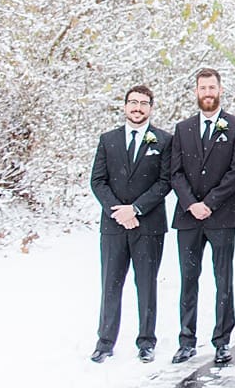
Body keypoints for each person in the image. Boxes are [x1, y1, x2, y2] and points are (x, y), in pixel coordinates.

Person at [170, 67, 235, 365]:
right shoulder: (183, 128)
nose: (207, 92)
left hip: (222, 214)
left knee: (223, 278)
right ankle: (186, 339)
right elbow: (175, 172)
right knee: (189, 279)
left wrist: (210, 202)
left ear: (220, 90)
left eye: (212, 87)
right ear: (196, 92)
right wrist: (192, 203)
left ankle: (222, 340)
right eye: (203, 88)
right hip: (189, 217)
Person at [89, 85, 172, 364]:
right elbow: (97, 180)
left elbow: (165, 182)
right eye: (133, 102)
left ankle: (146, 341)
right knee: (110, 284)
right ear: (125, 106)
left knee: (146, 284)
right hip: (113, 226)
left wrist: (136, 209)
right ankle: (105, 341)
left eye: (144, 103)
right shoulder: (108, 139)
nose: (138, 108)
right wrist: (119, 211)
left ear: (151, 107)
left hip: (148, 226)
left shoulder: (163, 140)